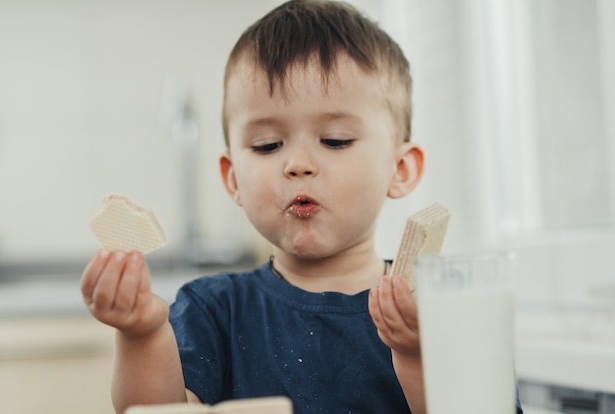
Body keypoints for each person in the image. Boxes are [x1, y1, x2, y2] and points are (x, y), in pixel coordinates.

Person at [81, 1, 523, 413]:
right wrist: (141, 334)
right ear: (233, 178)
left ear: (400, 169)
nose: (297, 164)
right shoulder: (211, 311)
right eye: (267, 145)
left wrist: (417, 353)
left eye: (335, 140)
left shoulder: (439, 307)